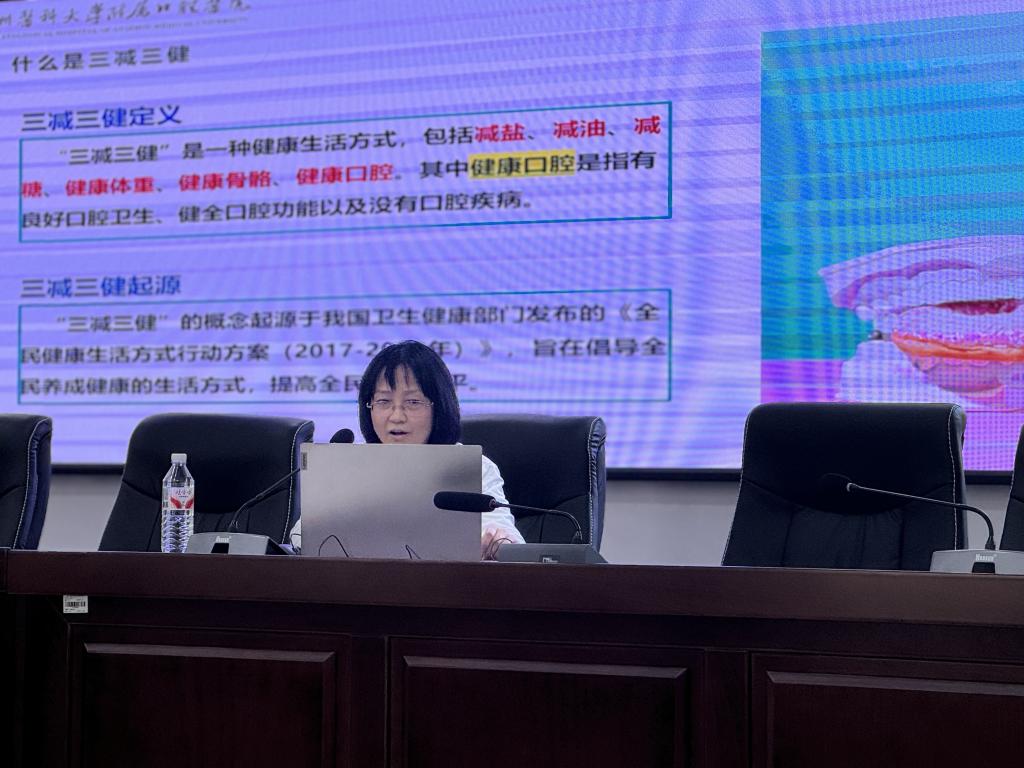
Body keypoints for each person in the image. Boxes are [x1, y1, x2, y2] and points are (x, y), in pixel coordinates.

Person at [291, 340, 524, 558]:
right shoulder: (348, 465)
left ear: (439, 407)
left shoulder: (473, 467)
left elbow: (508, 540)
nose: (397, 416)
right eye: (383, 401)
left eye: (413, 402)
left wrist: (499, 541)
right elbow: (300, 538)